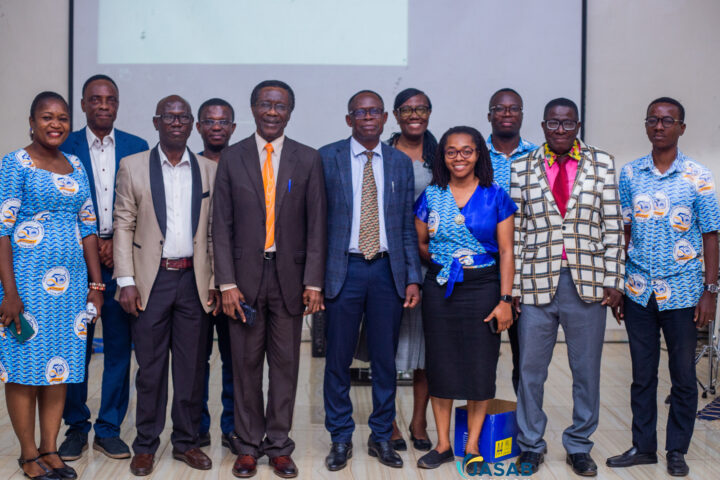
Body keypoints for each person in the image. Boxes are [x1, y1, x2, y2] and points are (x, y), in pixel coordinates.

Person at [213, 80, 327, 479]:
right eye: (265, 104)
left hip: (290, 278)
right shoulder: (232, 158)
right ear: (253, 108)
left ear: (290, 112)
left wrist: (314, 282)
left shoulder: (307, 158)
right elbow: (220, 225)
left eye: (280, 106)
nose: (273, 112)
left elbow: (317, 225)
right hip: (243, 279)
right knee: (245, 365)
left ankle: (279, 445)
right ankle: (247, 446)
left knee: (285, 366)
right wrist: (226, 283)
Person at [511, 98, 625, 476]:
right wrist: (513, 287)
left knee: (586, 371)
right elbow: (516, 231)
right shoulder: (521, 165)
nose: (560, 130)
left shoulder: (602, 163)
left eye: (568, 123)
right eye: (553, 123)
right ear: (543, 125)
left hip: (588, 284)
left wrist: (614, 280)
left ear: (578, 126)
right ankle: (531, 444)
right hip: (535, 284)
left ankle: (579, 445)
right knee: (530, 371)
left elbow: (612, 227)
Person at [607, 97, 720, 477]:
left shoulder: (698, 176)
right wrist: (618, 285)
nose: (659, 126)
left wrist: (710, 291)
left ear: (681, 127)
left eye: (668, 120)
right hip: (638, 289)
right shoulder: (630, 173)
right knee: (642, 375)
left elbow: (711, 235)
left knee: (683, 377)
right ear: (646, 125)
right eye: (653, 119)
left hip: (684, 291)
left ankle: (676, 450)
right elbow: (624, 231)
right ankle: (643, 447)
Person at [113, 95, 219, 476]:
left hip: (194, 281)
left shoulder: (209, 169)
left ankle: (187, 442)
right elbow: (123, 224)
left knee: (191, 369)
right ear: (156, 122)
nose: (176, 122)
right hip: (150, 282)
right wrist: (126, 281)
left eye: (183, 117)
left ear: (192, 125)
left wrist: (215, 281)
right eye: (169, 117)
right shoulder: (133, 166)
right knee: (151, 370)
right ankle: (145, 445)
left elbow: (214, 230)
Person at [1, 91, 104, 480]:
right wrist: (10, 294)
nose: (55, 124)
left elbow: (88, 226)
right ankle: (29, 455)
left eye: (62, 117)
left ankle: (50, 448)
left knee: (59, 368)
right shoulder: (15, 163)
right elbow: (1, 231)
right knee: (24, 369)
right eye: (47, 117)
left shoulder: (75, 164)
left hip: (71, 288)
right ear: (32, 122)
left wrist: (96, 285)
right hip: (25, 286)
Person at [320, 90, 422, 471]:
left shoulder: (399, 163)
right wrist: (312, 280)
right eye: (360, 112)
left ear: (384, 119)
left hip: (385, 270)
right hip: (341, 270)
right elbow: (316, 222)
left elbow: (406, 226)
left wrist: (412, 278)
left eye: (374, 111)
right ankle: (340, 437)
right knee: (337, 359)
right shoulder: (326, 157)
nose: (367, 117)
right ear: (349, 119)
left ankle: (381, 435)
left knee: (384, 361)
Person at [414, 126, 516, 471]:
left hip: (484, 287)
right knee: (440, 365)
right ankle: (443, 445)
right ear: (442, 157)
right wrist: (446, 261)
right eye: (451, 151)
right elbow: (420, 243)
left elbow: (506, 251)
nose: (459, 158)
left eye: (467, 151)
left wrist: (505, 299)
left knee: (479, 366)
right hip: (440, 289)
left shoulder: (495, 195)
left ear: (478, 155)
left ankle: (471, 446)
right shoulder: (431, 195)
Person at [58, 74, 149, 462]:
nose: (103, 105)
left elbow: (146, 206)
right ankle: (76, 426)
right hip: (75, 262)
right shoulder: (64, 146)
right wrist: (95, 244)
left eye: (110, 99)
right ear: (83, 104)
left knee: (118, 348)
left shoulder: (136, 147)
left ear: (117, 104)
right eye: (95, 99)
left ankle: (109, 428)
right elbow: (59, 207)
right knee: (75, 347)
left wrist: (117, 246)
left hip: (123, 262)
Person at [386, 87, 436, 452]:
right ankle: (387, 421)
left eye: (421, 108)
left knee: (428, 349)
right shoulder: (383, 154)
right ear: (396, 115)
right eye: (407, 109)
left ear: (429, 113)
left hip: (431, 263)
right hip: (389, 263)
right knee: (387, 345)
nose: (414, 115)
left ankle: (419, 421)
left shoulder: (441, 155)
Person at [485, 88, 537, 394]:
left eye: (513, 108)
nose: (507, 113)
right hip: (484, 265)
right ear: (489, 115)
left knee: (526, 356)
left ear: (521, 114)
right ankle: (478, 419)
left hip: (527, 267)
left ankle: (525, 420)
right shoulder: (474, 154)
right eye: (500, 108)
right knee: (482, 354)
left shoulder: (539, 156)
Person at [194, 97, 237, 453]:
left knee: (236, 359)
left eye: (223, 121)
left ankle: (233, 427)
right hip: (193, 281)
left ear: (233, 128)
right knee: (196, 359)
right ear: (199, 127)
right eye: (210, 121)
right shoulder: (187, 166)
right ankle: (196, 428)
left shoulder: (244, 165)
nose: (217, 127)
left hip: (236, 281)